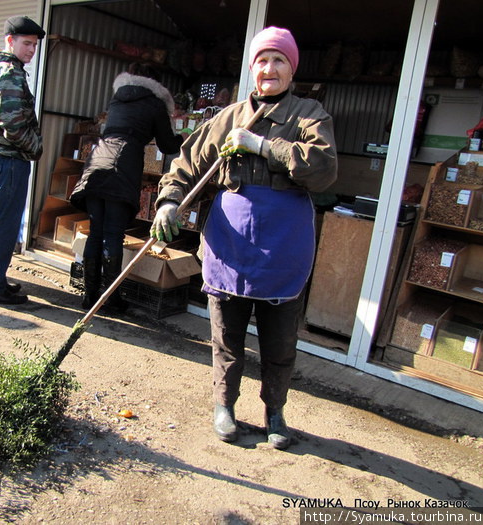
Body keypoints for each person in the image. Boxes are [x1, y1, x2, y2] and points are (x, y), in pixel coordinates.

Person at [151, 27, 337, 450]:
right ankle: (224, 405)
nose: (269, 68)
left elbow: (324, 170)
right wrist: (168, 202)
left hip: (282, 247)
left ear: (292, 69)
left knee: (279, 341)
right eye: (262, 61)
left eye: (279, 61)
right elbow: (186, 163)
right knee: (227, 336)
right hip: (230, 244)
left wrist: (263, 145)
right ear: (252, 69)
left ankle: (275, 411)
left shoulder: (310, 115)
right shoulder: (228, 117)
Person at [70, 63, 185, 311]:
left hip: (96, 162)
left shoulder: (117, 100)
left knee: (96, 231)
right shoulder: (155, 104)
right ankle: (110, 299)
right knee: (112, 234)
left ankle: (90, 296)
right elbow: (167, 145)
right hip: (122, 166)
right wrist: (183, 137)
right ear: (157, 84)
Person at [0, 16, 45, 305]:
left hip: (2, 160)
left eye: (35, 45)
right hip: (8, 160)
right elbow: (13, 125)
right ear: (10, 41)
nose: (31, 50)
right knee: (2, 224)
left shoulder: (3, 70)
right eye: (26, 43)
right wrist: (36, 149)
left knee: (0, 222)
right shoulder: (10, 73)